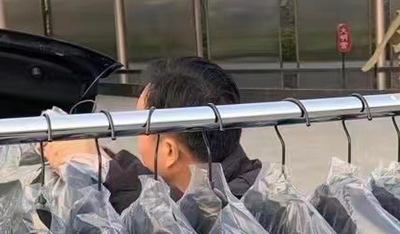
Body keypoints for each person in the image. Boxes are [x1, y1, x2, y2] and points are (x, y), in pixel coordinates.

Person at [46, 56, 261, 213]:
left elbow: (187, 227)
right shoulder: (259, 191)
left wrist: (103, 170)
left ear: (169, 151)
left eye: (141, 129)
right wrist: (101, 162)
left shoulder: (230, 221)